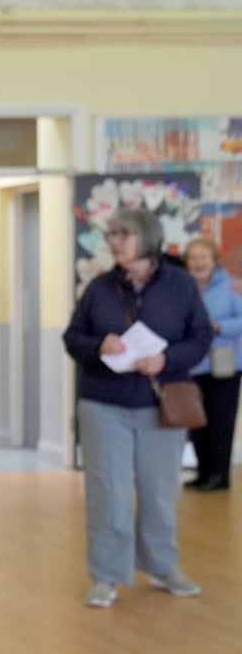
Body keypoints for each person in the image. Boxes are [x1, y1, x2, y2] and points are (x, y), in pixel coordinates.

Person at [62, 208, 212, 608]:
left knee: (159, 492)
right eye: (111, 234)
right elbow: (72, 338)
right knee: (107, 493)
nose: (114, 242)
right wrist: (98, 345)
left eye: (123, 234)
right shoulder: (99, 288)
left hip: (160, 404)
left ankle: (163, 567)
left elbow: (200, 338)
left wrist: (167, 359)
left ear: (146, 238)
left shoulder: (180, 285)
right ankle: (106, 576)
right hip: (102, 404)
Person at [183, 237, 242, 491]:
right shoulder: (182, 288)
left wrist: (219, 326)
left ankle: (219, 475)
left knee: (220, 422)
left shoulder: (231, 286)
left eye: (203, 257)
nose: (198, 263)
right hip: (192, 364)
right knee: (197, 421)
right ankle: (203, 471)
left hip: (223, 364)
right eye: (193, 258)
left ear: (214, 260)